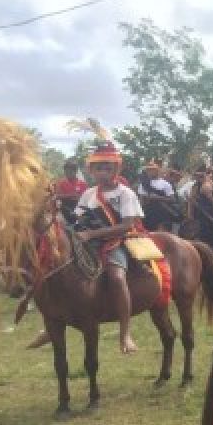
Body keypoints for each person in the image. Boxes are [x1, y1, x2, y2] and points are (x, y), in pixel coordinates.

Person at [73, 140, 145, 354]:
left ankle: (125, 333)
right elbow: (77, 219)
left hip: (118, 242)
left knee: (116, 277)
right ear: (91, 171)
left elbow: (125, 226)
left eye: (107, 168)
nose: (102, 172)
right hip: (89, 243)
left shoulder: (126, 194)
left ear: (115, 169)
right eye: (98, 168)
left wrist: (91, 234)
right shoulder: (88, 194)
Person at [137, 160, 177, 232]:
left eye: (152, 169)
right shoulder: (143, 184)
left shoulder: (165, 184)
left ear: (157, 170)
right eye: (148, 170)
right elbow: (141, 200)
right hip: (147, 214)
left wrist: (157, 198)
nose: (150, 171)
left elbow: (172, 199)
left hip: (162, 215)